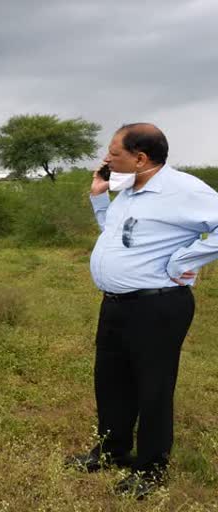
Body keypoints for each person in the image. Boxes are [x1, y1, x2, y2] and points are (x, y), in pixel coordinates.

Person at [67, 123, 218, 499]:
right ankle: (111, 450)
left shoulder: (182, 190)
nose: (106, 159)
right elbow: (116, 235)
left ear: (140, 158)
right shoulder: (129, 190)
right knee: (111, 380)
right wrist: (100, 196)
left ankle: (150, 468)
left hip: (158, 306)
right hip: (116, 305)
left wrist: (187, 257)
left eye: (114, 154)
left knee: (152, 386)